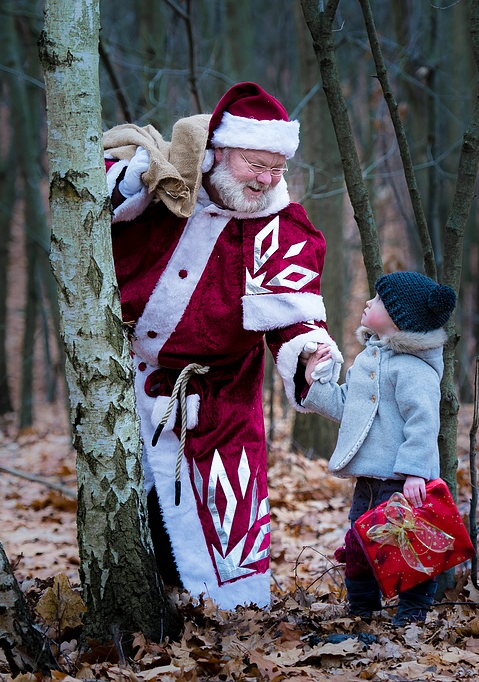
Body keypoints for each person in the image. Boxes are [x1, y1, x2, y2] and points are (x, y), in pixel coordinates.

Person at [102, 82, 342, 610]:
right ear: (218, 152)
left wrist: (307, 352)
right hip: (121, 377)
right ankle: (141, 607)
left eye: (276, 169)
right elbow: (92, 194)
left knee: (223, 500)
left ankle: (227, 614)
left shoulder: (281, 229)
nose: (266, 179)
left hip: (220, 390)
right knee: (127, 499)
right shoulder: (162, 185)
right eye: (254, 164)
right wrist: (134, 179)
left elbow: (291, 312)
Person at [301, 271, 457, 625]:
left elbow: (423, 422)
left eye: (379, 300)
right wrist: (314, 382)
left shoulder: (413, 369)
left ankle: (412, 614)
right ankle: (361, 612)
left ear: (399, 318)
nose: (369, 303)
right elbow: (347, 406)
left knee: (409, 547)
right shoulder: (369, 361)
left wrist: (416, 471)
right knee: (359, 547)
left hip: (402, 483)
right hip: (369, 483)